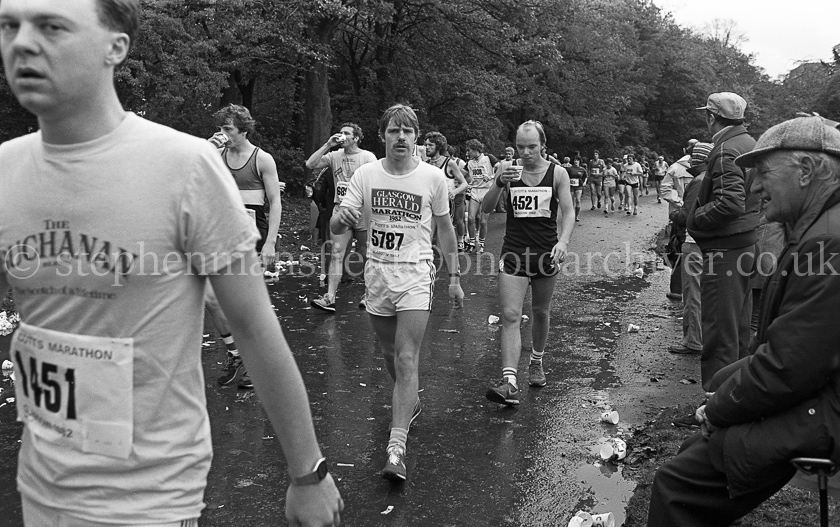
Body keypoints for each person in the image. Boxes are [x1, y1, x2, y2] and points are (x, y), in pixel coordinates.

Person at [0, 0, 343, 525]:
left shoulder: (182, 166)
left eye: (51, 26)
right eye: (9, 25)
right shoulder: (6, 170)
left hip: (150, 499)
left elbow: (253, 325)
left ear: (116, 47)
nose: (22, 42)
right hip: (41, 489)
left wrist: (307, 472)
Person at [647, 115, 840, 527]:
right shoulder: (817, 228)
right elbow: (786, 348)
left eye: (763, 174)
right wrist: (722, 389)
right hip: (819, 391)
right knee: (714, 401)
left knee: (676, 485)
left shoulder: (828, 240)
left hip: (827, 408)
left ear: (806, 171)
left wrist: (718, 409)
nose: (753, 188)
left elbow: (789, 367)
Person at [332, 104, 464, 482]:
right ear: (383, 136)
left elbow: (445, 229)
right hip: (377, 273)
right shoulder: (366, 174)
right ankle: (412, 400)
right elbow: (339, 222)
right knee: (390, 354)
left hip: (416, 274)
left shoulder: (432, 178)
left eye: (407, 131)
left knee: (407, 358)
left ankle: (396, 447)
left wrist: (454, 277)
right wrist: (339, 219)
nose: (401, 137)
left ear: (416, 138)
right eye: (394, 131)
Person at [482, 120, 575, 405]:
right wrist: (499, 182)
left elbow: (569, 212)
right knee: (510, 315)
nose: (526, 153)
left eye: (532, 147)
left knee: (540, 312)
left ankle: (536, 360)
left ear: (543, 145)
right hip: (513, 253)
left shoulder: (557, 173)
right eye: (521, 147)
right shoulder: (507, 171)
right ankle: (509, 381)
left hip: (546, 253)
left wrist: (563, 241)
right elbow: (486, 209)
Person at [682, 93, 759, 429]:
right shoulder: (747, 141)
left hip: (725, 251)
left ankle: (714, 410)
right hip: (743, 247)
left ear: (711, 118)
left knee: (719, 331)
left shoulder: (726, 148)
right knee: (739, 330)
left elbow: (729, 204)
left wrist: (694, 219)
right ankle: (735, 403)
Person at [206, 104, 282, 389]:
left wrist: (271, 243)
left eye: (228, 129)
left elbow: (275, 202)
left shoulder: (262, 160)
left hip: (253, 236)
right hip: (221, 233)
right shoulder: (216, 155)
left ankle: (256, 364)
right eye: (222, 128)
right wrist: (207, 150)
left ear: (243, 130)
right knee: (212, 299)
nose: (223, 134)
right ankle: (236, 355)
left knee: (249, 304)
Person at [305, 123, 377, 312]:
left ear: (356, 138)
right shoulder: (334, 156)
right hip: (341, 210)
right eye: (341, 132)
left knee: (366, 253)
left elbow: (376, 181)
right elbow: (310, 164)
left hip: (362, 211)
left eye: (347, 133)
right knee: (336, 253)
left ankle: (369, 295)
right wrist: (328, 145)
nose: (342, 136)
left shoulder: (367, 157)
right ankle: (329, 297)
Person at [666, 142, 712, 356]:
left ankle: (693, 340)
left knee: (692, 293)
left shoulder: (699, 180)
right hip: (708, 243)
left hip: (694, 243)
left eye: (693, 157)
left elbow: (688, 216)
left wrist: (674, 215)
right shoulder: (713, 178)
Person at [425, 132, 469, 251]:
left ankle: (452, 266)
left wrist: (454, 192)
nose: (427, 148)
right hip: (429, 204)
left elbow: (464, 183)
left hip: (445, 204)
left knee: (442, 236)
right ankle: (428, 265)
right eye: (426, 145)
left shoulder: (449, 163)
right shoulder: (426, 164)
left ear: (438, 146)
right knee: (427, 236)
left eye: (430, 145)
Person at [464, 139, 495, 254]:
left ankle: (481, 243)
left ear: (476, 149)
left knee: (483, 221)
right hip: (475, 191)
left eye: (469, 150)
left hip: (487, 191)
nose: (468, 153)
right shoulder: (470, 163)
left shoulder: (488, 158)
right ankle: (472, 242)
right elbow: (461, 173)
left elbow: (500, 168)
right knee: (471, 218)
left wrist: (491, 177)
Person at [565, 157, 588, 222]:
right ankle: (570, 215)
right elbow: (565, 175)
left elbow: (586, 176)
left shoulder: (582, 169)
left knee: (578, 200)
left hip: (579, 186)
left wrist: (584, 182)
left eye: (577, 160)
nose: (576, 161)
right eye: (575, 160)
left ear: (579, 162)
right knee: (571, 201)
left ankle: (576, 216)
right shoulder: (569, 169)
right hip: (571, 186)